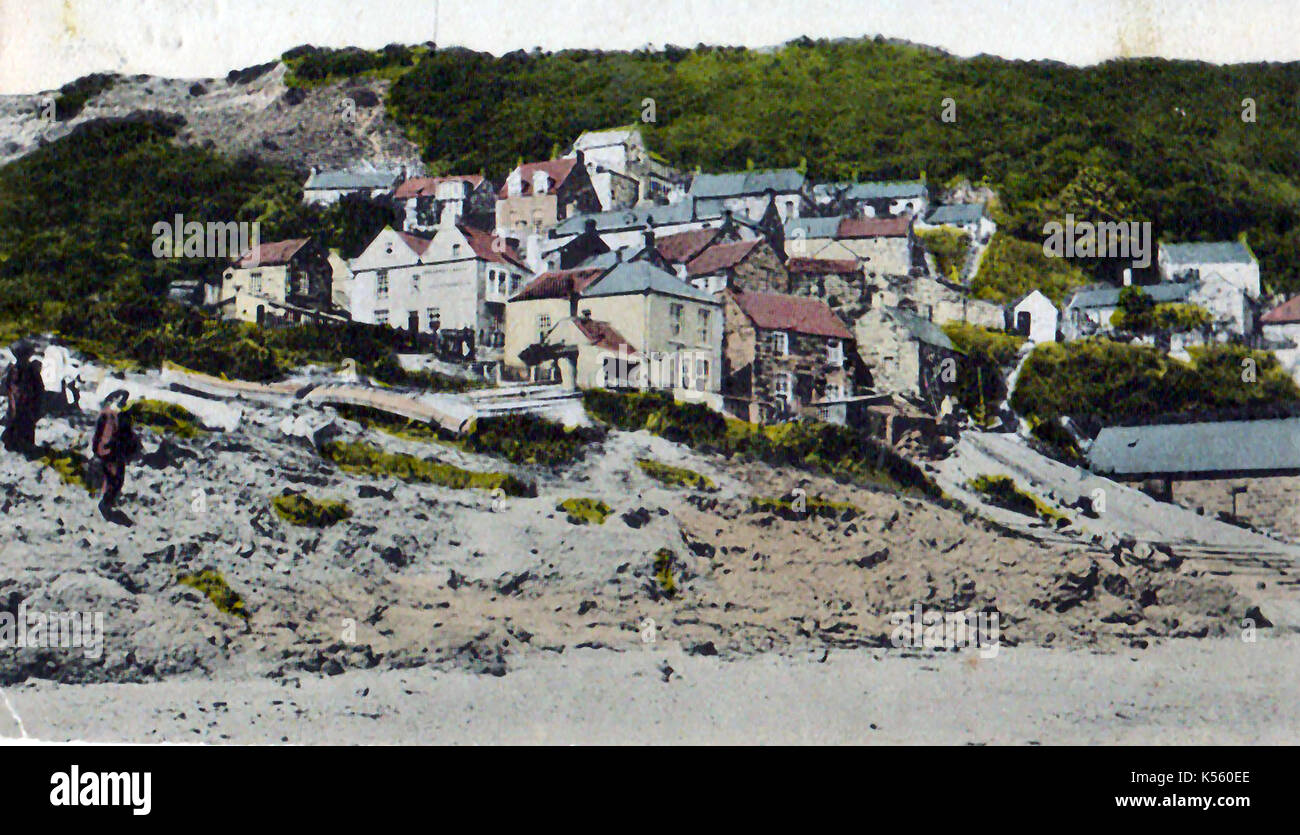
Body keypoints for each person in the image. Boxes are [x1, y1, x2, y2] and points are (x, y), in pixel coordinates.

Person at [92, 390, 139, 518]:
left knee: (114, 478)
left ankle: (108, 502)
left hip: (111, 451)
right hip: (110, 452)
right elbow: (103, 436)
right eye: (120, 399)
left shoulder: (113, 414)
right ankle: (106, 504)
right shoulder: (110, 415)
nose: (122, 402)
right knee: (115, 478)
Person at [2, 342, 45, 452]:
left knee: (20, 421)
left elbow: (5, 384)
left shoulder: (21, 368)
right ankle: (17, 444)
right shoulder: (19, 368)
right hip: (21, 401)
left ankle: (19, 445)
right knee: (20, 422)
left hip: (23, 401)